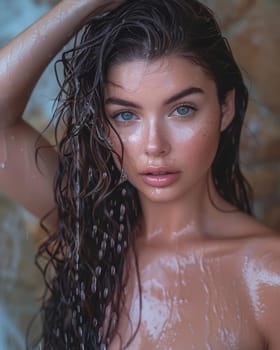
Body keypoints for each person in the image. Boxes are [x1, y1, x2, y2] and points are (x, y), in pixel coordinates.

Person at [0, 0, 279, 349]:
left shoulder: (268, 278)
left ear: (225, 108)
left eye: (182, 109)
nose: (153, 145)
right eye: (126, 116)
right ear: (102, 123)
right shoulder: (93, 228)